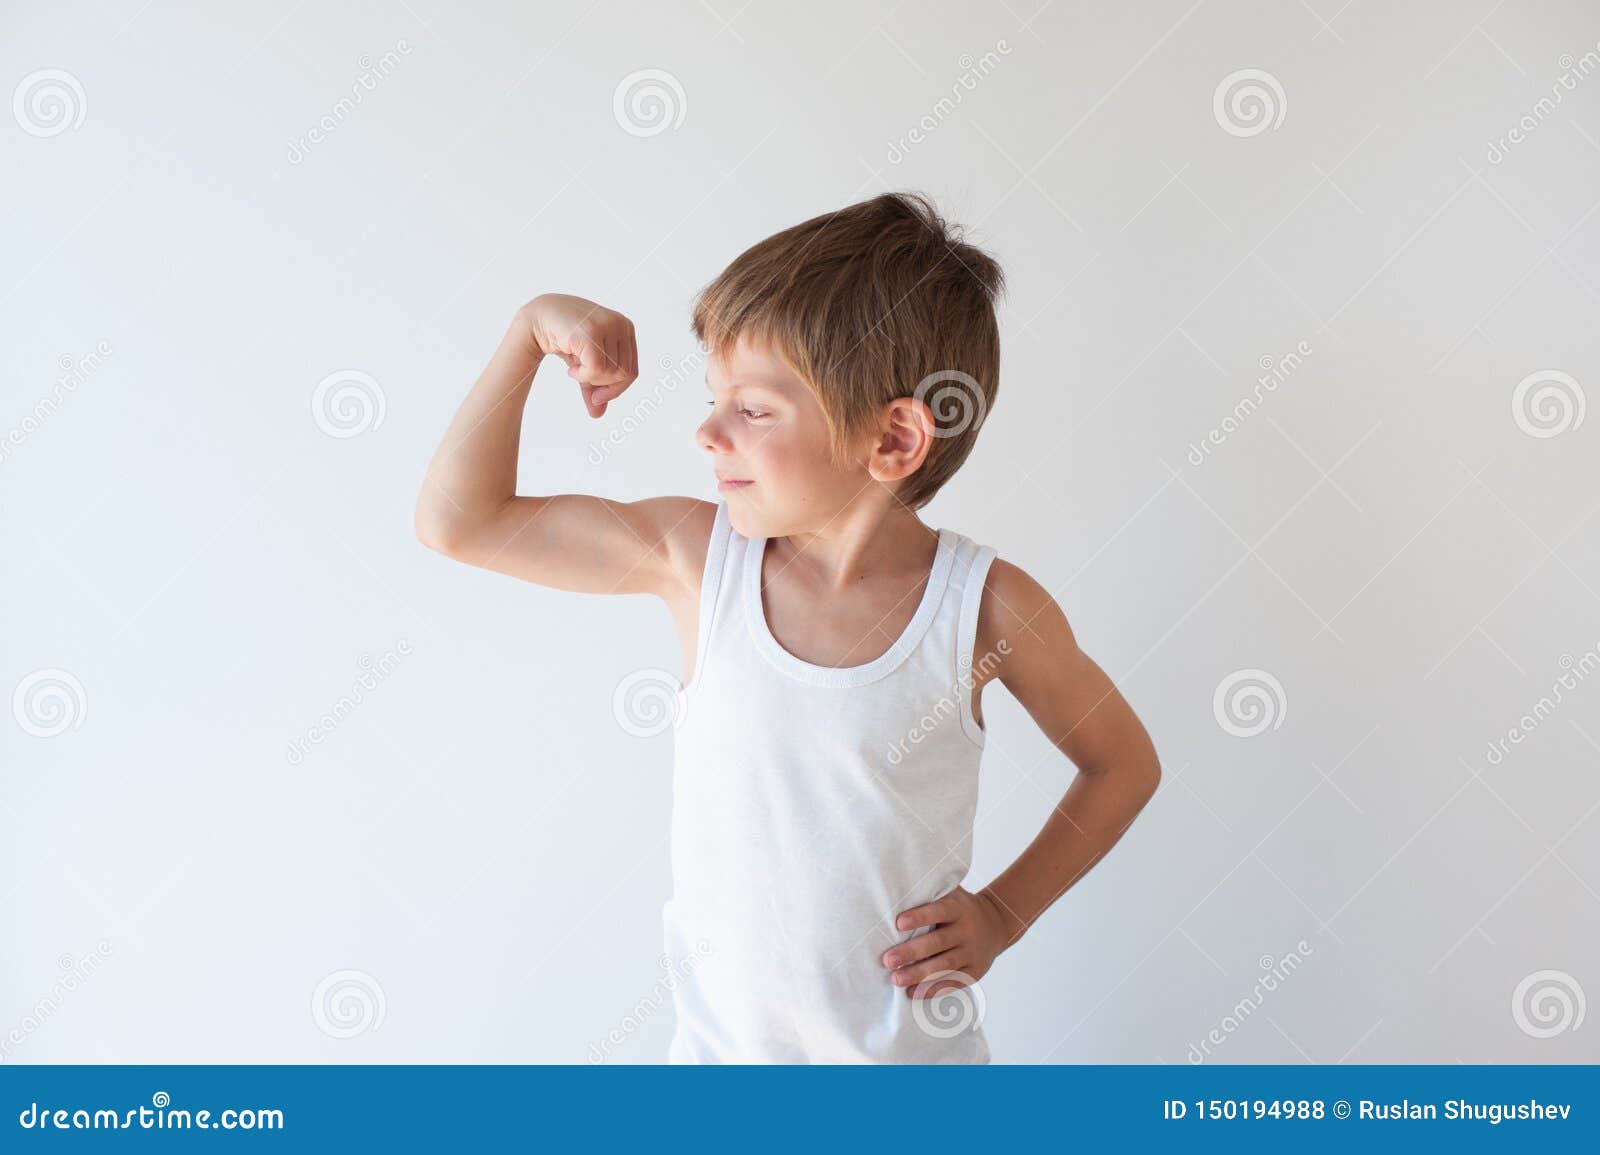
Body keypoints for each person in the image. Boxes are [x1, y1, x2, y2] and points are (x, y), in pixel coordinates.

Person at [414, 191, 1161, 1063]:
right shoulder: (696, 560)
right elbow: (461, 522)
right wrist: (530, 334)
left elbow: (1122, 763)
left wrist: (1003, 913)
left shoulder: (985, 608)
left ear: (892, 440)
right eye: (715, 399)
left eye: (753, 410)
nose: (705, 432)